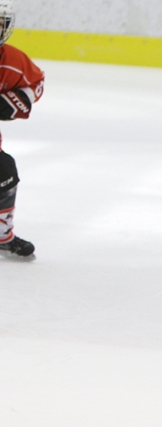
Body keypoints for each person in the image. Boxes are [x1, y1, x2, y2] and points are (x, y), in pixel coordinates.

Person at [0, 0, 44, 258]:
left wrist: (14, 101)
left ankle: (2, 236)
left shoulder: (11, 61)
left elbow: (35, 81)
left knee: (4, 170)